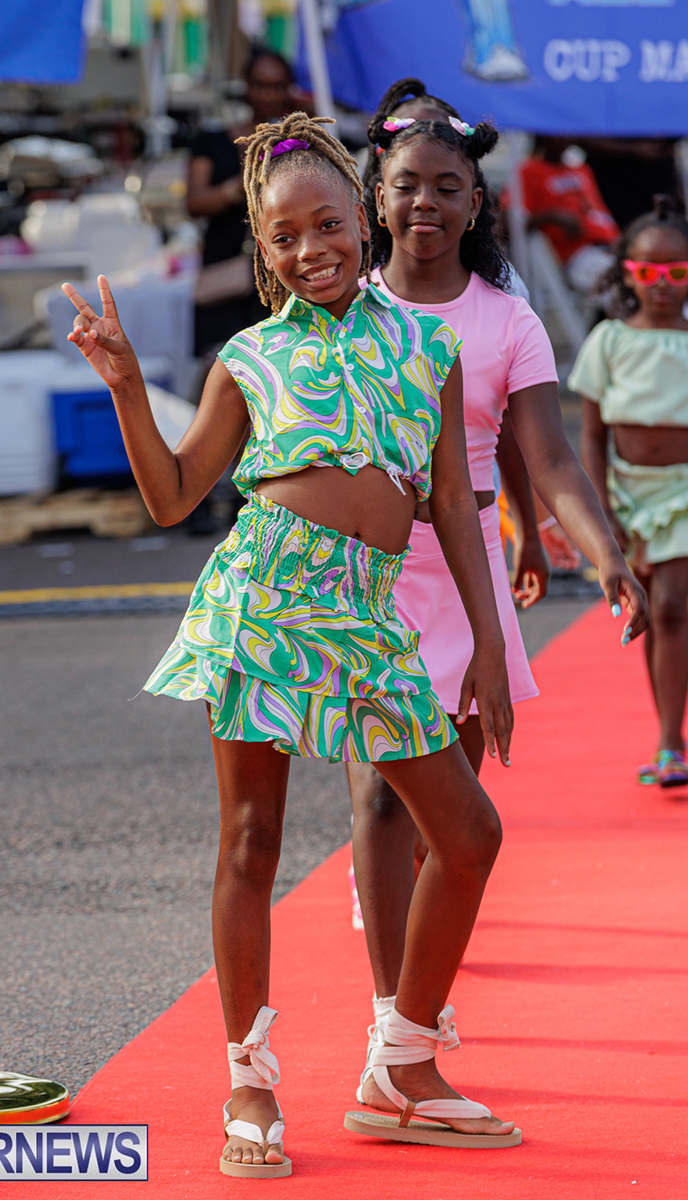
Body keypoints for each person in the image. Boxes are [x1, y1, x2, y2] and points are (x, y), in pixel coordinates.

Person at [62, 109, 550, 1174]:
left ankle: (401, 1063)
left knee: (467, 836)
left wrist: (484, 641)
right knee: (250, 843)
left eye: (325, 224)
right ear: (262, 248)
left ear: (361, 225)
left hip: (371, 617)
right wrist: (126, 385)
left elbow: (457, 511)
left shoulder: (430, 346)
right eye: (282, 237)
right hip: (266, 601)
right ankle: (248, 1081)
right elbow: (171, 494)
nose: (308, 249)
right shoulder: (248, 357)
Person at [346, 84, 649, 1100]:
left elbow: (551, 456)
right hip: (366, 574)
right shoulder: (346, 308)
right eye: (404, 187)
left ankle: (410, 1010)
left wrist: (598, 553)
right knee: (381, 809)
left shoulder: (507, 319)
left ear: (475, 205)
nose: (423, 204)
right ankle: (394, 1028)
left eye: (446, 188)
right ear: (373, 198)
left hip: (464, 571)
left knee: (451, 816)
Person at [575, 196, 688, 787]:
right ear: (627, 271)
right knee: (653, 610)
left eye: (676, 271)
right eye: (648, 271)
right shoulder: (609, 340)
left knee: (672, 604)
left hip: (684, 494)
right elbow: (591, 437)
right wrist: (601, 509)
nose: (662, 284)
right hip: (627, 493)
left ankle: (672, 744)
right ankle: (669, 729)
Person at [187, 48, 294, 357]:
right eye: (260, 85)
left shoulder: (298, 144)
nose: (268, 95)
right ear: (246, 86)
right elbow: (195, 202)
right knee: (224, 361)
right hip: (227, 267)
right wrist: (241, 184)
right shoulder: (213, 141)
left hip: (277, 275)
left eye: (277, 87)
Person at [514, 136, 619, 295]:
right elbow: (511, 225)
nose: (565, 136)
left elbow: (599, 211)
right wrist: (551, 216)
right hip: (575, 257)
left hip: (608, 247)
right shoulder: (528, 171)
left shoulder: (581, 169)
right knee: (620, 282)